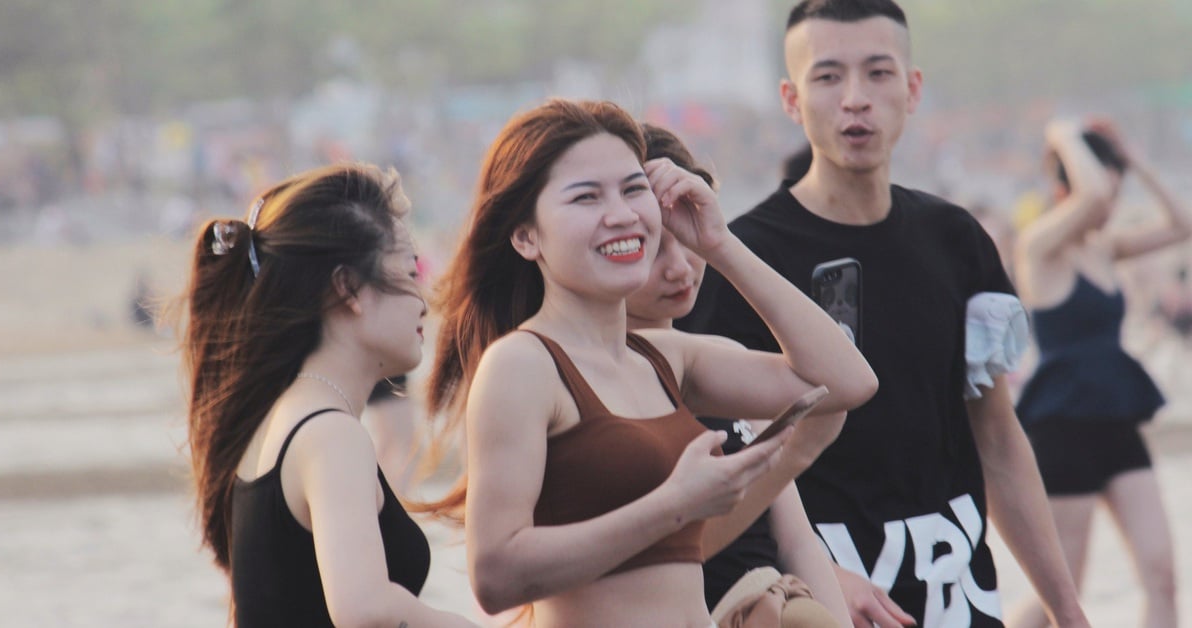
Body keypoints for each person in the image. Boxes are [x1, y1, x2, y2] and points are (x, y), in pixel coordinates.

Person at [678, 2, 1090, 626]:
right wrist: (812, 566)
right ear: (791, 98)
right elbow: (714, 468)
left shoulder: (957, 239)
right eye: (827, 77)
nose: (855, 99)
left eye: (877, 73)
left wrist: (1064, 606)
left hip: (958, 590)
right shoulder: (742, 260)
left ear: (912, 87)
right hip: (819, 600)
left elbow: (998, 439)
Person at [424, 98, 877, 627]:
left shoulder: (665, 356)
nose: (620, 214)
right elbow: (496, 576)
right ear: (526, 236)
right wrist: (675, 506)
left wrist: (720, 243)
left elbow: (847, 382)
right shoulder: (523, 365)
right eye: (586, 197)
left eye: (632, 189)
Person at [175, 163, 475, 627]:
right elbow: (365, 609)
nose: (425, 298)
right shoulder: (330, 434)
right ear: (349, 287)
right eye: (410, 270)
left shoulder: (281, 418)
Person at [631, 123, 849, 628]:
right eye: (649, 244)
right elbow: (666, 559)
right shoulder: (598, 376)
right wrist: (791, 455)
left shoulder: (722, 360)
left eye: (686, 237)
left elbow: (797, 540)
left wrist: (722, 245)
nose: (679, 267)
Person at [1011, 118, 1189, 628]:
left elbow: (1183, 224)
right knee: (1062, 593)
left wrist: (1132, 159)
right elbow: (1088, 198)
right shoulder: (1040, 247)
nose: (1109, 204)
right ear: (1064, 187)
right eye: (1106, 190)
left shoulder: (1104, 247)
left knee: (1162, 573)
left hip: (1117, 419)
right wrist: (1063, 133)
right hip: (1063, 426)